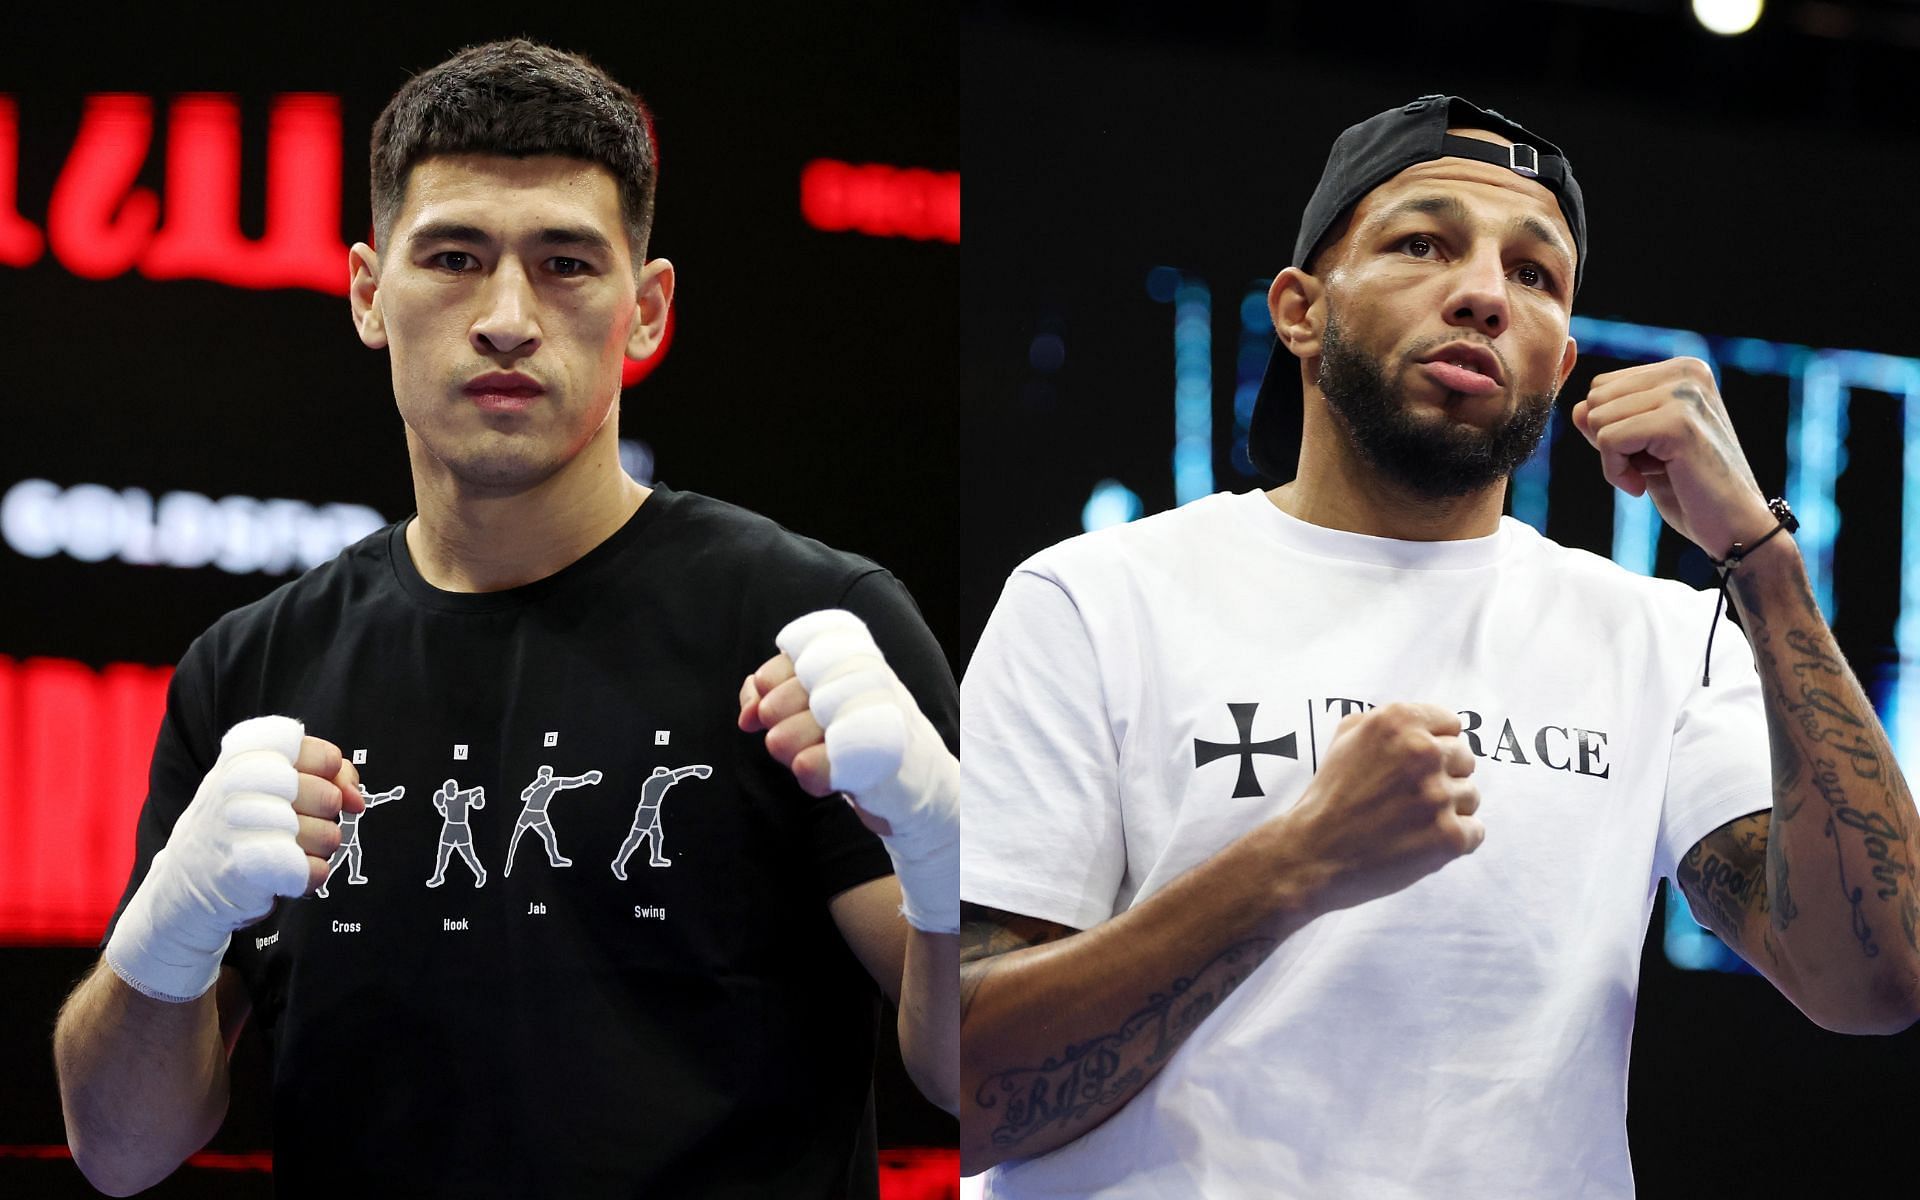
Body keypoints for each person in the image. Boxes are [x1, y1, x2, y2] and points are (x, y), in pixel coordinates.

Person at [957, 95, 1920, 1197]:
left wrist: (1763, 561)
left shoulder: (1660, 636)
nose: (1483, 294)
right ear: (1300, 311)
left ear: (1561, 365)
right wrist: (1295, 866)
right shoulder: (1097, 597)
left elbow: (1877, 980)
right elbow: (972, 1097)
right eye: (1423, 243)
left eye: (1535, 274)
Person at [52, 39, 959, 1199]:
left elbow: (980, 1081)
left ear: (646, 309)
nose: (507, 318)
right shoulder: (253, 668)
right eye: (455, 257)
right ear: (370, 294)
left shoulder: (807, 623)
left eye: (567, 263)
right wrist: (166, 933)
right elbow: (119, 1152)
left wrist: (944, 847)